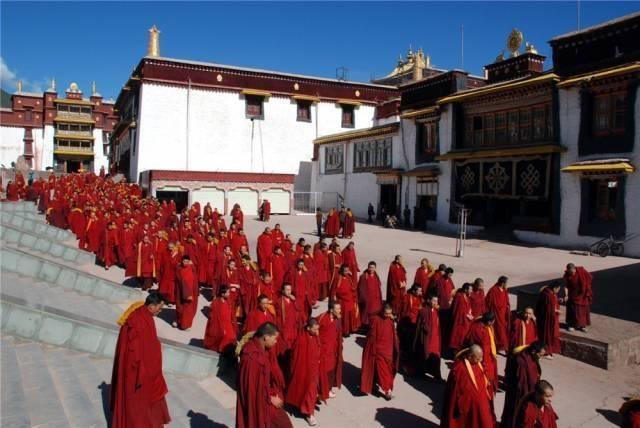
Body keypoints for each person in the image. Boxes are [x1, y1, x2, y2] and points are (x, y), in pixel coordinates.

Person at [110, 293, 171, 428]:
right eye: (159, 308)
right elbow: (134, 351)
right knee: (136, 403)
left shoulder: (145, 315)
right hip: (136, 371)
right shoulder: (137, 320)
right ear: (151, 306)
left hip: (145, 368)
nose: (160, 312)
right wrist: (141, 372)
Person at [236, 322, 293, 428]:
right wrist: (270, 398)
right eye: (275, 339)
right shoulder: (251, 358)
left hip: (267, 397)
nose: (276, 342)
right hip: (261, 404)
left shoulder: (265, 350)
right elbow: (251, 390)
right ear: (266, 337)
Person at [441, 344, 495, 428]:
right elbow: (454, 391)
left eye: (481, 357)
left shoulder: (479, 364)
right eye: (477, 358)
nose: (480, 360)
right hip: (466, 405)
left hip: (480, 403)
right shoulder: (458, 369)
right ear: (470, 356)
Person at [286, 318, 322, 426]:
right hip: (303, 370)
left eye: (317, 329)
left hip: (313, 370)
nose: (316, 332)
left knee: (310, 393)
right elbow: (294, 357)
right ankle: (308, 414)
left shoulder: (315, 337)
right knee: (305, 392)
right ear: (308, 328)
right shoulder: (300, 339)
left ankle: (307, 411)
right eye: (314, 329)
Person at [501, 342, 545, 428]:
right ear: (533, 352)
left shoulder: (531, 357)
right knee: (515, 414)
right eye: (540, 355)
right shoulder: (522, 362)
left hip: (526, 392)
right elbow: (522, 382)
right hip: (519, 394)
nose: (541, 357)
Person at [361, 304, 400, 400]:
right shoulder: (375, 320)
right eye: (386, 313)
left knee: (386, 370)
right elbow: (372, 336)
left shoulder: (390, 321)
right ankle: (388, 391)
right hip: (379, 350)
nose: (388, 315)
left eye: (390, 313)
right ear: (382, 311)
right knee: (384, 372)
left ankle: (374, 384)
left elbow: (393, 334)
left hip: (388, 350)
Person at [466, 312, 498, 397]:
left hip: (489, 356)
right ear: (489, 322)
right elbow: (482, 348)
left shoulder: (487, 327)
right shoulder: (478, 329)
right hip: (482, 358)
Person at [317, 302, 344, 401]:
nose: (340, 311)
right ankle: (321, 391)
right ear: (331, 310)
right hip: (324, 349)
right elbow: (315, 328)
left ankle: (328, 389)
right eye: (337, 309)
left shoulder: (337, 319)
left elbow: (338, 333)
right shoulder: (322, 318)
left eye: (340, 308)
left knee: (331, 370)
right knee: (325, 370)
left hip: (333, 349)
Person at [414, 293, 442, 381]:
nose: (435, 302)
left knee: (436, 357)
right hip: (427, 339)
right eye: (434, 300)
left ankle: (437, 375)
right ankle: (424, 373)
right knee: (426, 355)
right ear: (429, 300)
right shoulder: (423, 311)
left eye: (436, 301)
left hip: (435, 338)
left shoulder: (435, 311)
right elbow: (420, 326)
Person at [203, 286, 237, 354]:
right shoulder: (216, 303)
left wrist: (233, 322)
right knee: (223, 337)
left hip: (228, 324)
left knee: (232, 337)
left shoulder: (228, 301)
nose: (229, 294)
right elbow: (214, 317)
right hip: (219, 323)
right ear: (222, 294)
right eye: (227, 293)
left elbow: (231, 312)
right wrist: (221, 328)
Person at [331, 264, 360, 336]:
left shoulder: (349, 277)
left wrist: (354, 298)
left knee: (351, 315)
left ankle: (351, 329)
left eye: (347, 270)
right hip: (342, 301)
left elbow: (352, 287)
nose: (346, 272)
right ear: (341, 271)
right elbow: (334, 291)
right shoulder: (338, 278)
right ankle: (345, 331)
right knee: (345, 317)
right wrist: (334, 301)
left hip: (350, 299)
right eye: (345, 271)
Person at [535, 282, 562, 358]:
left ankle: (547, 351)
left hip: (545, 318)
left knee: (546, 335)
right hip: (546, 320)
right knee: (546, 335)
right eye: (558, 289)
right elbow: (548, 310)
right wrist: (556, 311)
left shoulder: (548, 293)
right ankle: (546, 352)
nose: (558, 291)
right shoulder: (548, 296)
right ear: (554, 288)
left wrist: (558, 302)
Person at [563, 263, 593, 332]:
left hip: (583, 295)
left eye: (572, 272)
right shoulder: (567, 275)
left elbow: (589, 278)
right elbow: (566, 286)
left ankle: (583, 326)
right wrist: (566, 295)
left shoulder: (581, 271)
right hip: (572, 294)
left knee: (583, 311)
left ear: (574, 269)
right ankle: (571, 325)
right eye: (569, 272)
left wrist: (587, 288)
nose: (571, 274)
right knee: (572, 310)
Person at [485, 276, 511, 352]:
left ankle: (503, 345)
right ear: (502, 283)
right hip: (496, 314)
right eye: (506, 283)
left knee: (504, 329)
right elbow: (488, 302)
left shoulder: (504, 290)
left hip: (503, 314)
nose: (507, 285)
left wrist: (507, 307)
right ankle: (497, 345)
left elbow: (507, 300)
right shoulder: (493, 290)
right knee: (498, 330)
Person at [175, 255, 199, 331]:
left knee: (187, 309)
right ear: (181, 261)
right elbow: (180, 280)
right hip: (181, 291)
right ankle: (179, 321)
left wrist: (194, 292)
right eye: (184, 261)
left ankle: (185, 325)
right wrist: (186, 294)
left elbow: (195, 277)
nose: (185, 263)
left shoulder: (191, 267)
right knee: (180, 307)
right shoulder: (179, 268)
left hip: (191, 291)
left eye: (187, 261)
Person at [449, 283, 474, 353]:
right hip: (459, 321)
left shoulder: (467, 296)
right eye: (470, 289)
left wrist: (469, 313)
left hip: (465, 320)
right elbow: (458, 311)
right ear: (465, 290)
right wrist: (466, 315)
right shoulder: (459, 297)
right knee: (458, 336)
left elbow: (468, 307)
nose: (471, 291)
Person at [358, 261, 383, 328]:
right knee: (367, 313)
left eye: (373, 268)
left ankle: (374, 325)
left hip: (375, 298)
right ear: (368, 267)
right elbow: (360, 289)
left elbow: (378, 286)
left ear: (375, 268)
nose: (371, 269)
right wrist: (364, 298)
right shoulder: (363, 276)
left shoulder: (376, 276)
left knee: (375, 312)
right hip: (368, 299)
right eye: (370, 267)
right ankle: (366, 326)